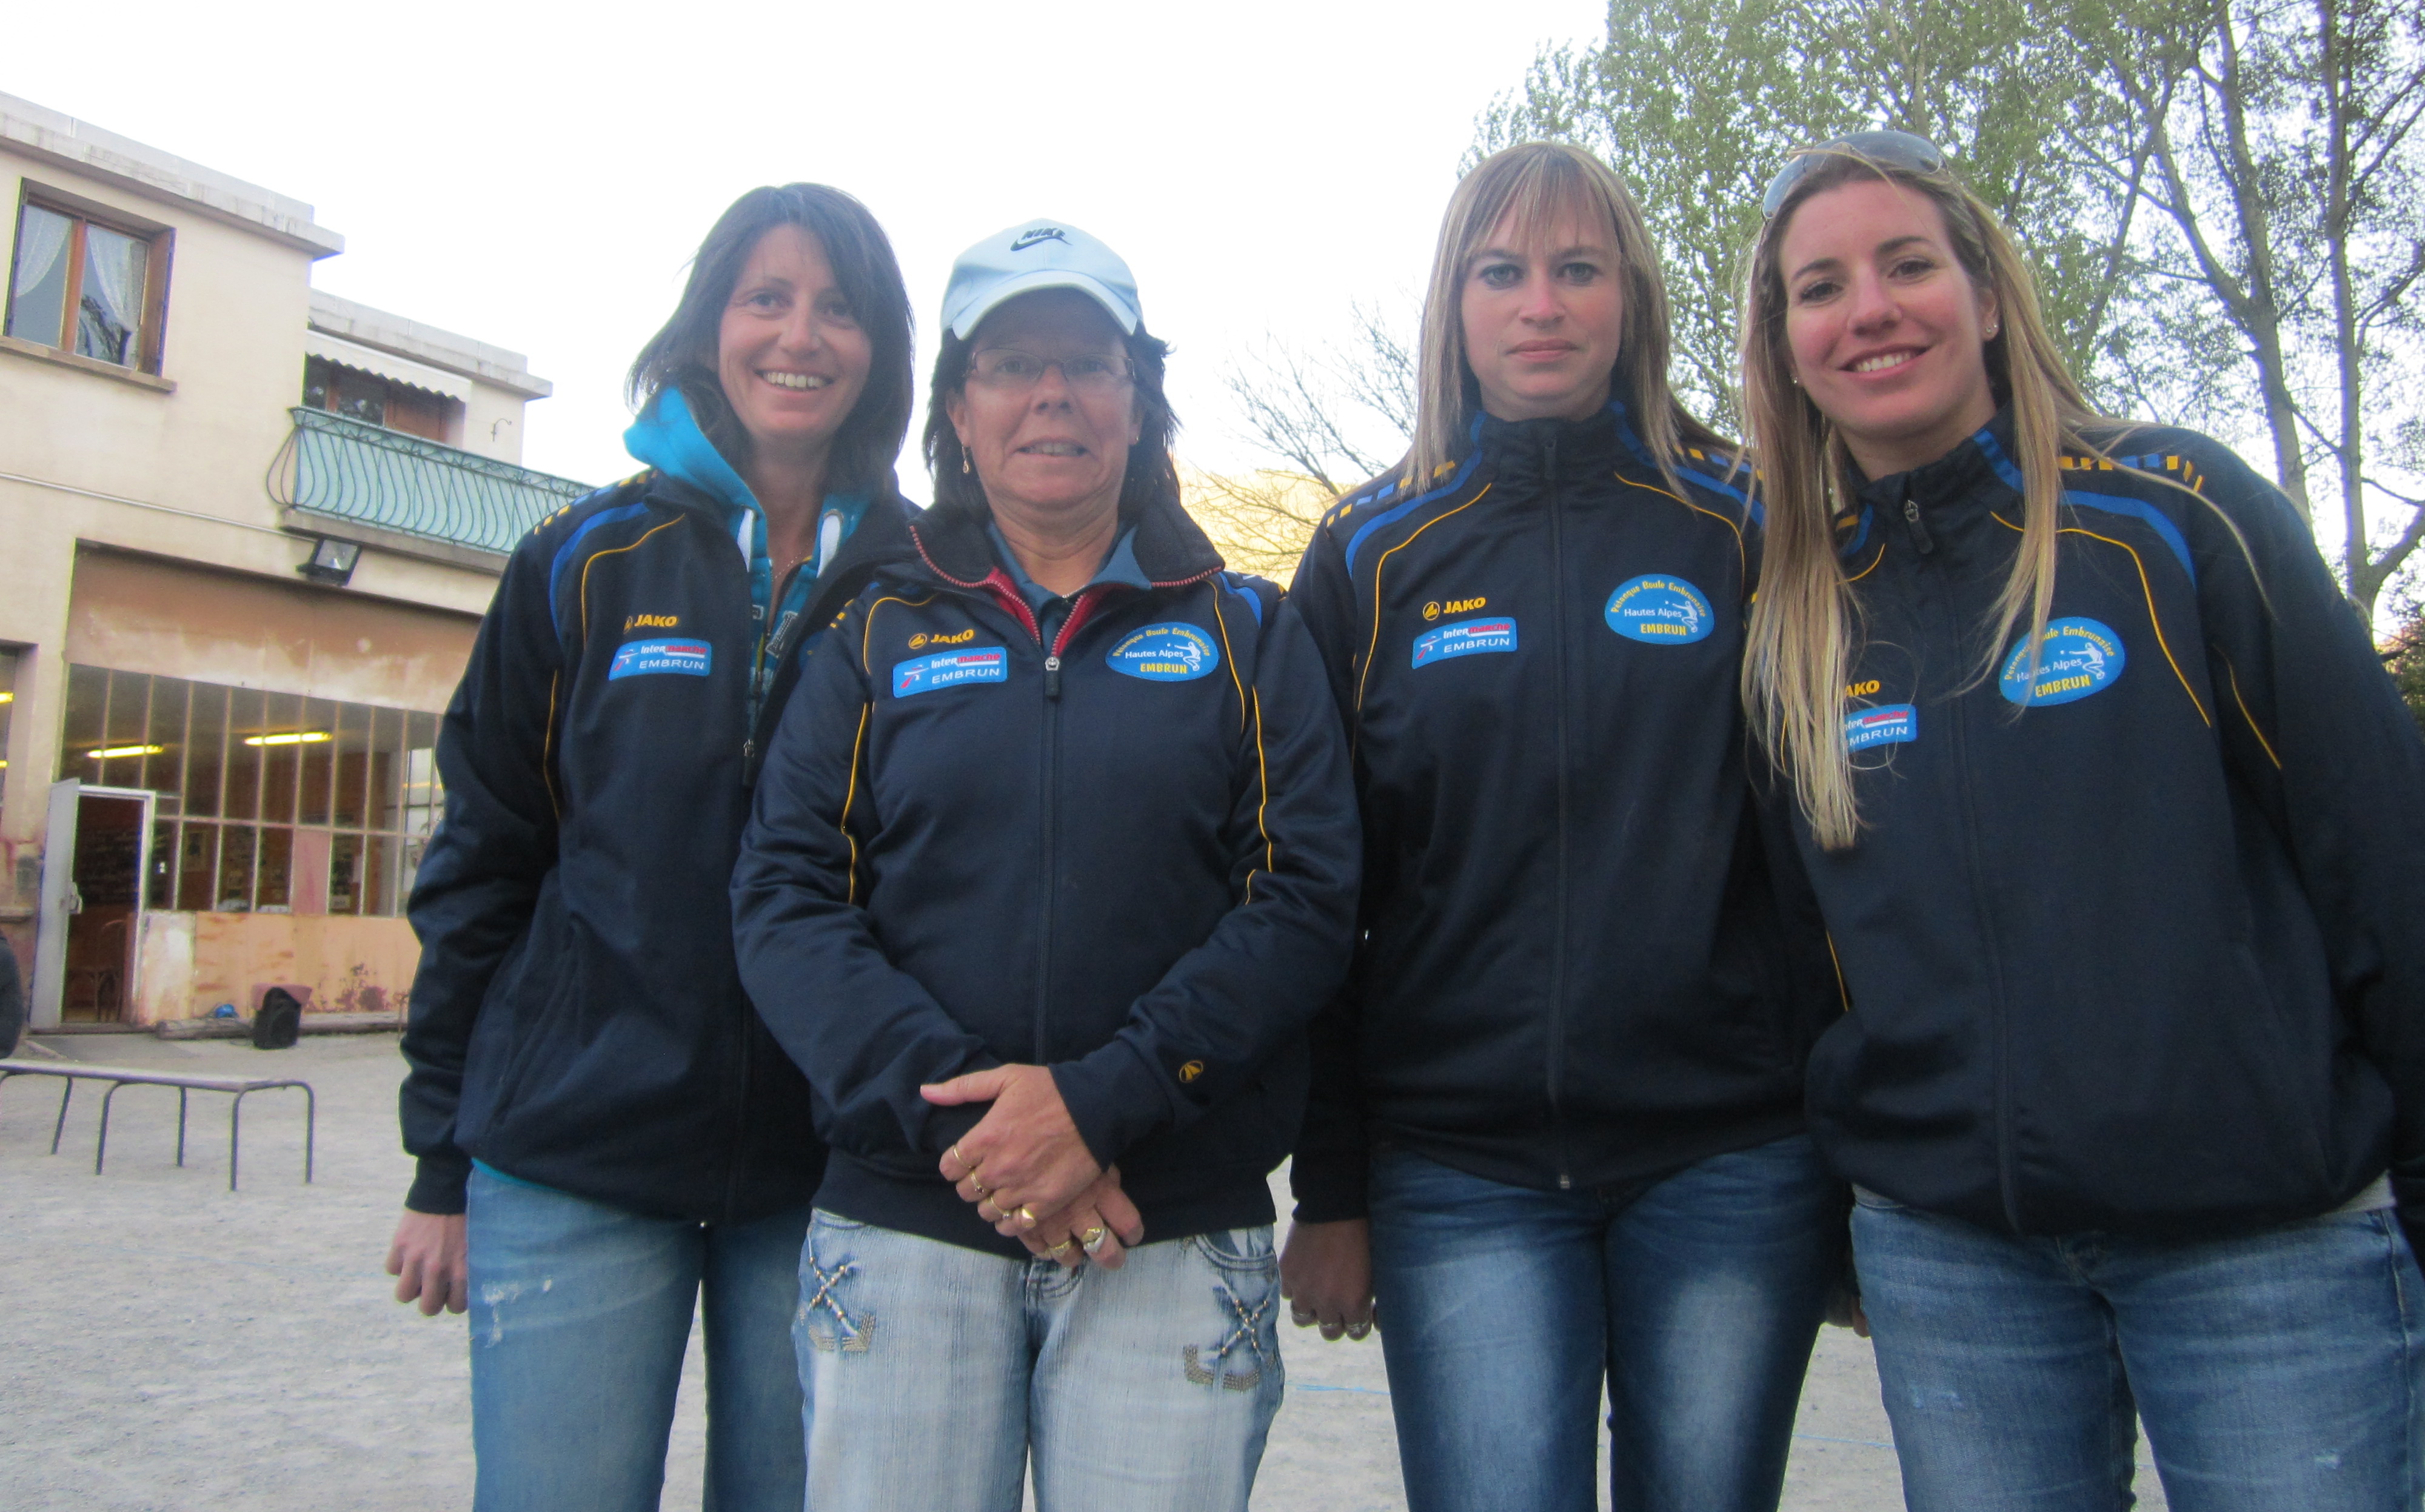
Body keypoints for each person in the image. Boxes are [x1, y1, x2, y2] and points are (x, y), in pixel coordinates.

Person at [1738, 130, 2425, 1510]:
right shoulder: (1794, 623)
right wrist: (1840, 1219)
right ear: (1786, 347)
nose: (1867, 308)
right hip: (1952, 1264)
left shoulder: (2173, 517)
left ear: (1986, 295)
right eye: (1818, 288)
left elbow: (2381, 859)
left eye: (1906, 264)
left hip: (2264, 1245)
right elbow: (1799, 966)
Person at [729, 219, 1360, 1512]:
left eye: (1088, 362)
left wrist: (1103, 1102)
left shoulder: (1250, 631)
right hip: (908, 1229)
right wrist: (979, 1132)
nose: (1051, 395)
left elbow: (1304, 900)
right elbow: (784, 902)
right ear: (958, 409)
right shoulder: (871, 631)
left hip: (1166, 1229)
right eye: (1013, 363)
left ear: (1139, 402)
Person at [1280, 141, 1847, 1512]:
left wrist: (1850, 1167)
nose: (1540, 304)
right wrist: (1334, 1190)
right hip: (1459, 1174)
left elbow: (1823, 873)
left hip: (1727, 1162)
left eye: (1577, 270)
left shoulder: (1745, 529)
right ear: (1452, 307)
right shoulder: (1369, 556)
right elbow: (1313, 901)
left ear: (1631, 301)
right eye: (1502, 272)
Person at [385, 182, 921, 1511]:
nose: (799, 334)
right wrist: (440, 1157)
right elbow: (484, 865)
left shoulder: (933, 589)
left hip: (828, 1172)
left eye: (838, 308)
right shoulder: (581, 563)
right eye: (766, 297)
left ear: (882, 351)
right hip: (574, 1157)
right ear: (706, 326)